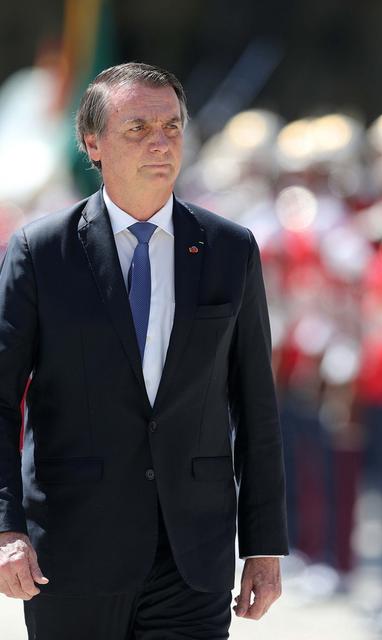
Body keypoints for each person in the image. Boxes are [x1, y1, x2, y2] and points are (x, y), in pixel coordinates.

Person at [0, 62, 288, 639]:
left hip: (193, 557)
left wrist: (264, 545)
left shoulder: (230, 249)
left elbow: (255, 404)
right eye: (137, 128)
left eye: (172, 126)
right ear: (93, 142)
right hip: (74, 552)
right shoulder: (41, 252)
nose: (161, 142)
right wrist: (6, 529)